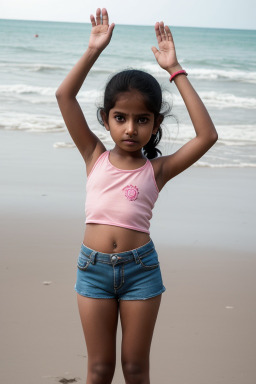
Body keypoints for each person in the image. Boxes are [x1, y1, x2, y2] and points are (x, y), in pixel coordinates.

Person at [56, 8, 218, 384]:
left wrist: (174, 70)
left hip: (140, 272)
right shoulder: (93, 155)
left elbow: (207, 136)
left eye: (142, 119)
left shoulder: (157, 170)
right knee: (98, 369)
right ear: (106, 117)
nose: (131, 128)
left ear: (155, 123)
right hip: (92, 271)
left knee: (135, 368)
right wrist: (94, 49)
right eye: (120, 117)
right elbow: (65, 95)